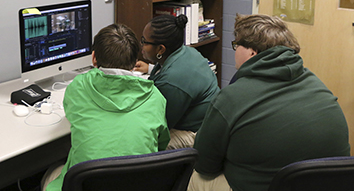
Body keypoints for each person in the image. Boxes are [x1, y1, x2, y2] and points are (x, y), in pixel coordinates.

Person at [188, 14, 350, 191]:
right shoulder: (317, 85)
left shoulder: (231, 97)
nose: (234, 51)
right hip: (329, 186)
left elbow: (204, 165)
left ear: (252, 52)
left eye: (236, 45)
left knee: (195, 177)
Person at [42, 23, 170, 191]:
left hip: (86, 184)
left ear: (94, 57)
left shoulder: (78, 87)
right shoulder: (156, 97)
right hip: (138, 184)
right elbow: (161, 143)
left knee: (50, 173)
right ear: (134, 62)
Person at [133, 14, 220, 149]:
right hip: (208, 120)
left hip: (198, 133)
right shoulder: (186, 51)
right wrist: (150, 69)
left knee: (143, 144)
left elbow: (160, 123)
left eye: (144, 42)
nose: (141, 46)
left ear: (161, 49)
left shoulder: (172, 83)